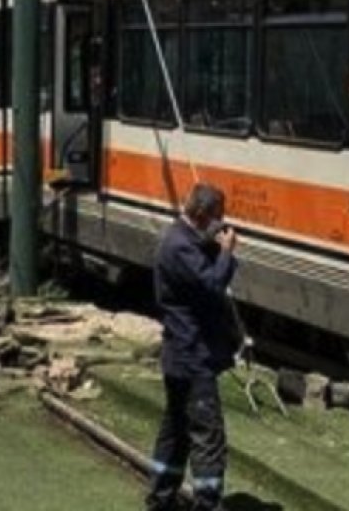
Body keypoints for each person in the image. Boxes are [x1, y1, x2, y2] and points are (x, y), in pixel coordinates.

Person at [147, 183, 239, 511]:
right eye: (217, 218)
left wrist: (214, 248)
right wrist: (226, 251)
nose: (221, 224)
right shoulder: (180, 247)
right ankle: (206, 503)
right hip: (192, 357)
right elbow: (213, 285)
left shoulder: (181, 239)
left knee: (175, 432)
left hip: (178, 355)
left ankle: (160, 498)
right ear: (202, 215)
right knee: (208, 437)